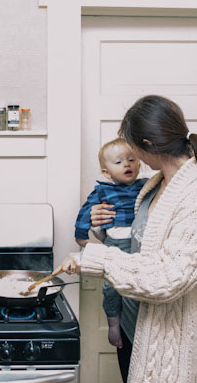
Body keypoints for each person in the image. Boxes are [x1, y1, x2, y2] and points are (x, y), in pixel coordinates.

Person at [60, 95, 197, 383]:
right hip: (132, 324)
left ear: (146, 145)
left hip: (169, 342)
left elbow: (168, 278)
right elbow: (139, 244)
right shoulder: (155, 184)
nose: (131, 154)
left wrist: (92, 258)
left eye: (132, 146)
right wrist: (100, 227)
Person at [74, 138, 146, 349]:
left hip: (139, 242)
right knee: (112, 286)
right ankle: (114, 324)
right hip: (116, 240)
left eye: (131, 160)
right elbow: (86, 211)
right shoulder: (103, 190)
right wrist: (81, 235)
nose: (127, 165)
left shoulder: (146, 185)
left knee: (136, 285)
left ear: (139, 164)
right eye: (119, 162)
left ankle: (135, 329)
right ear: (106, 172)